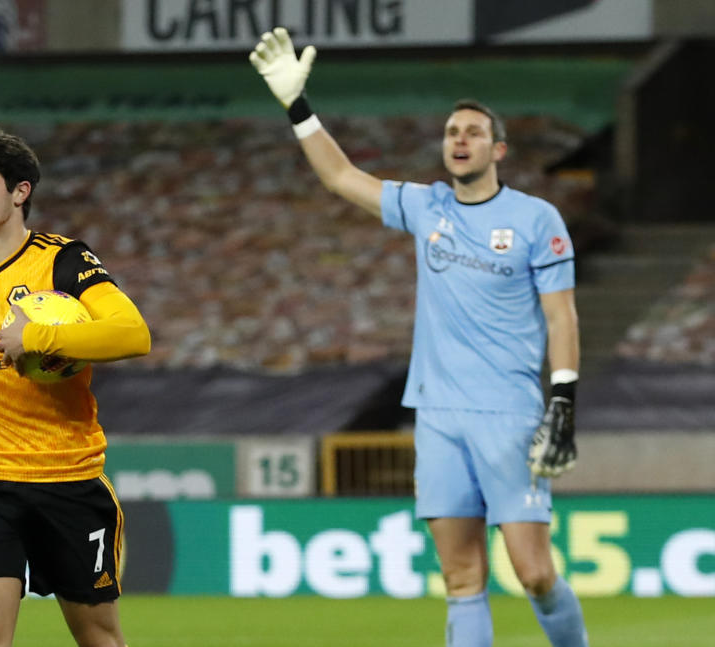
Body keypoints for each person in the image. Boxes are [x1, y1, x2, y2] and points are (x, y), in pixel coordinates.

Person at [250, 28, 587, 647]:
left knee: (535, 572)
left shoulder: (538, 220)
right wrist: (298, 108)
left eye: (473, 132)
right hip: (437, 414)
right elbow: (340, 177)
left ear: (499, 149)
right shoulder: (426, 205)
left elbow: (562, 317)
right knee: (462, 577)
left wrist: (563, 396)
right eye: (452, 132)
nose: (459, 140)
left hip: (509, 412)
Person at [0, 124, 150, 647]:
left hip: (67, 478)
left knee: (99, 636)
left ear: (19, 191)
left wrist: (39, 335)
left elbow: (133, 334)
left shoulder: (63, 260)